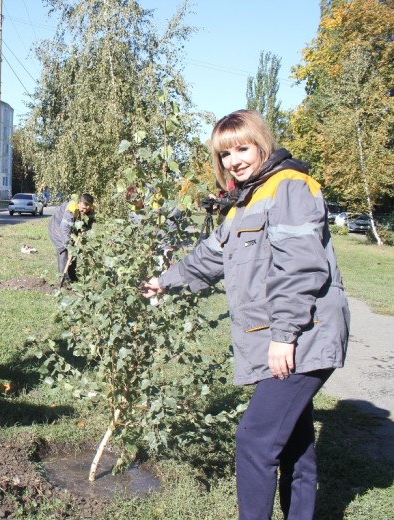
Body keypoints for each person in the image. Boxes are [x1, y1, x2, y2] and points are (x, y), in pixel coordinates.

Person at [142, 110, 349, 520]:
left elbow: (302, 268)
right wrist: (166, 280)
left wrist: (284, 335)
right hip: (290, 336)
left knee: (255, 440)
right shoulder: (245, 201)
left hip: (302, 335)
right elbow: (210, 255)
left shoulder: (289, 186)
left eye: (242, 148)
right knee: (294, 444)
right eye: (224, 155)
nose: (234, 160)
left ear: (261, 144)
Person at [48, 193, 95, 283]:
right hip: (57, 227)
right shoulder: (71, 209)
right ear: (79, 203)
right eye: (83, 208)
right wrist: (69, 247)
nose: (85, 211)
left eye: (87, 209)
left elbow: (89, 222)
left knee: (74, 250)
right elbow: (64, 229)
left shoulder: (90, 208)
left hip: (71, 228)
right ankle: (64, 280)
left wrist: (86, 229)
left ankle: (72, 277)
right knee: (64, 250)